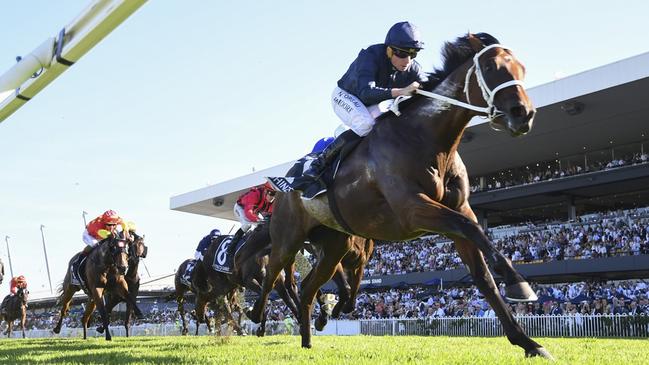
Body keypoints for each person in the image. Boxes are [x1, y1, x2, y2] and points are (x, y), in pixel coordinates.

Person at [293, 21, 428, 193]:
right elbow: (366, 92)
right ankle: (318, 165)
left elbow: (430, 87)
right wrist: (401, 91)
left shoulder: (413, 68)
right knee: (365, 125)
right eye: (402, 54)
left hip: (369, 104)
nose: (407, 61)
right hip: (346, 96)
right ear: (389, 49)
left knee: (388, 127)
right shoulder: (370, 55)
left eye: (413, 54)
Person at [71, 210, 129, 285]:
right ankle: (77, 264)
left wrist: (126, 232)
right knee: (96, 245)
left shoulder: (116, 219)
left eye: (114, 225)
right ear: (105, 222)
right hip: (91, 235)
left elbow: (124, 224)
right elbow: (106, 235)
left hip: (104, 231)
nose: (112, 227)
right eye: (109, 225)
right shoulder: (98, 225)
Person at [227, 182, 276, 259]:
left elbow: (271, 214)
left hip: (255, 211)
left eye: (275, 194)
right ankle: (231, 247)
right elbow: (248, 212)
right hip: (241, 208)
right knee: (247, 225)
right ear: (265, 191)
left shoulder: (272, 201)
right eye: (271, 193)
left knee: (264, 226)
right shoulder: (254, 195)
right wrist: (258, 220)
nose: (272, 197)